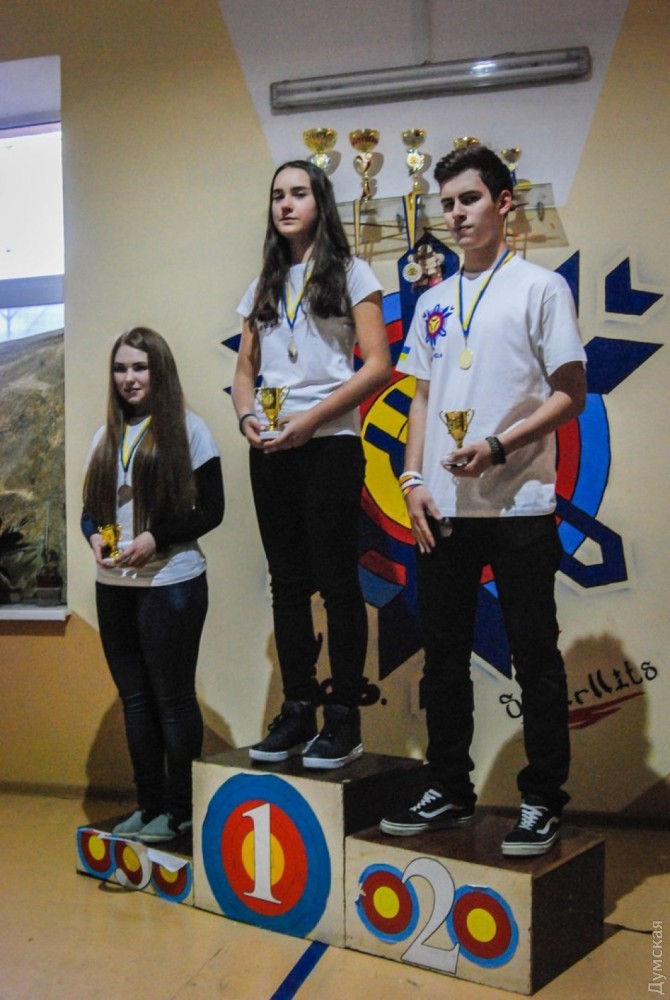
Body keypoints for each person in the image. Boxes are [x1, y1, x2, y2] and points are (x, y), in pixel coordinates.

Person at [380, 145, 587, 856]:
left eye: (469, 199)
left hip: (519, 503)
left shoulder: (540, 288)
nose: (457, 215)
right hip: (442, 509)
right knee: (442, 657)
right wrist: (412, 481)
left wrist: (498, 446)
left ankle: (543, 799)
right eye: (447, 204)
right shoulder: (434, 301)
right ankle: (449, 787)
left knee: (535, 657)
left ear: (503, 203)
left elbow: (570, 393)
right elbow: (421, 397)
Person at [232, 159, 390, 769]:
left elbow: (377, 365)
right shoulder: (263, 284)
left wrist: (312, 420)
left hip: (329, 444)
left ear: (320, 203)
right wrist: (247, 417)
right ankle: (297, 707)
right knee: (288, 583)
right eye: (278, 195)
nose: (285, 204)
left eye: (298, 193)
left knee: (338, 580)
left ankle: (343, 716)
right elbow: (245, 371)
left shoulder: (352, 272)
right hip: (272, 449)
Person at [82, 327, 224, 843]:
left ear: (159, 370)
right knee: (136, 700)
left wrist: (155, 539)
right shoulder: (105, 436)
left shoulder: (190, 429)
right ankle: (149, 806)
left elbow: (212, 510)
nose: (129, 378)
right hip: (113, 586)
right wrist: (94, 537)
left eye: (139, 367)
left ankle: (181, 811)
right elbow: (90, 511)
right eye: (120, 368)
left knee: (173, 700)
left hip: (171, 583)